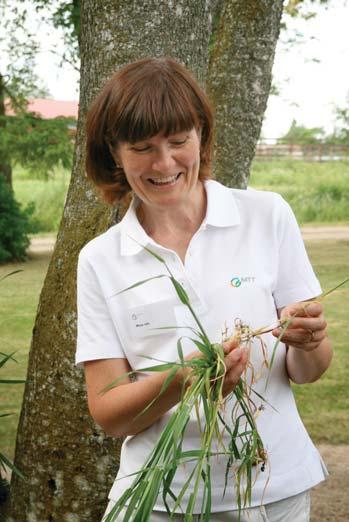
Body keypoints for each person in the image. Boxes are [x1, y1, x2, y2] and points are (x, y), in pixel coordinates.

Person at [76, 57, 332, 521]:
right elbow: (110, 414)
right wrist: (180, 381)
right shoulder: (101, 259)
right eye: (142, 147)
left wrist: (310, 340)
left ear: (201, 135)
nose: (165, 163)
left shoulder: (267, 215)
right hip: (159, 498)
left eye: (179, 141)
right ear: (113, 152)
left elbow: (309, 369)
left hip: (272, 492)